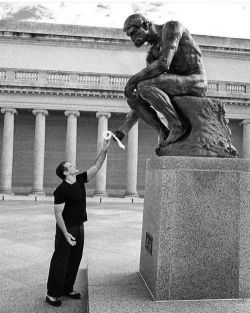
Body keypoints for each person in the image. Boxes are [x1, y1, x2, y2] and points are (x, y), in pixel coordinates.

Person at [115, 14, 207, 152]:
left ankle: (178, 125)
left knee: (142, 85)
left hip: (195, 80)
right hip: (176, 84)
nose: (133, 38)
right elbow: (144, 92)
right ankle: (164, 133)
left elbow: (164, 64)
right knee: (134, 99)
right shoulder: (152, 53)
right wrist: (124, 129)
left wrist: (132, 81)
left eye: (134, 33)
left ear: (145, 25)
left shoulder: (171, 28)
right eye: (130, 36)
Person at [46, 138, 111, 307]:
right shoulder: (60, 190)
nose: (75, 166)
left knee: (75, 259)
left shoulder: (80, 179)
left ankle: (67, 288)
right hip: (66, 229)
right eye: (71, 166)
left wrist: (104, 150)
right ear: (66, 173)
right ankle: (52, 294)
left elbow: (95, 168)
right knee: (60, 260)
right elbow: (58, 214)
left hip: (79, 226)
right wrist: (66, 234)